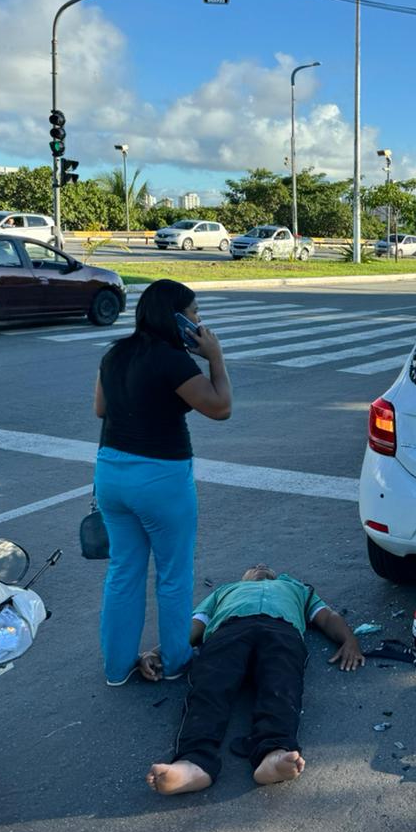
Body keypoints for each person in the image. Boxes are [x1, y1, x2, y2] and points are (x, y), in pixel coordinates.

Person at [93, 279, 233, 686]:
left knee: (123, 572)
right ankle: (175, 662)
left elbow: (101, 409)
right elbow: (220, 407)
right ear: (175, 318)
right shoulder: (173, 361)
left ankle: (117, 668)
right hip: (161, 478)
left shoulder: (114, 354)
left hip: (111, 474)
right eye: (194, 313)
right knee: (173, 575)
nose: (199, 320)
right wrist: (216, 357)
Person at [145, 565, 364, 795]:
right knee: (209, 685)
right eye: (254, 567)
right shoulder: (225, 591)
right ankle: (193, 762)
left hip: (281, 630)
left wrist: (349, 640)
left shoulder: (297, 587)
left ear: (276, 576)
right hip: (229, 631)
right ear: (243, 578)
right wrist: (158, 652)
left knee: (282, 685)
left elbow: (327, 616)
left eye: (265, 566)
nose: (260, 567)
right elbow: (195, 624)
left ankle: (274, 752)